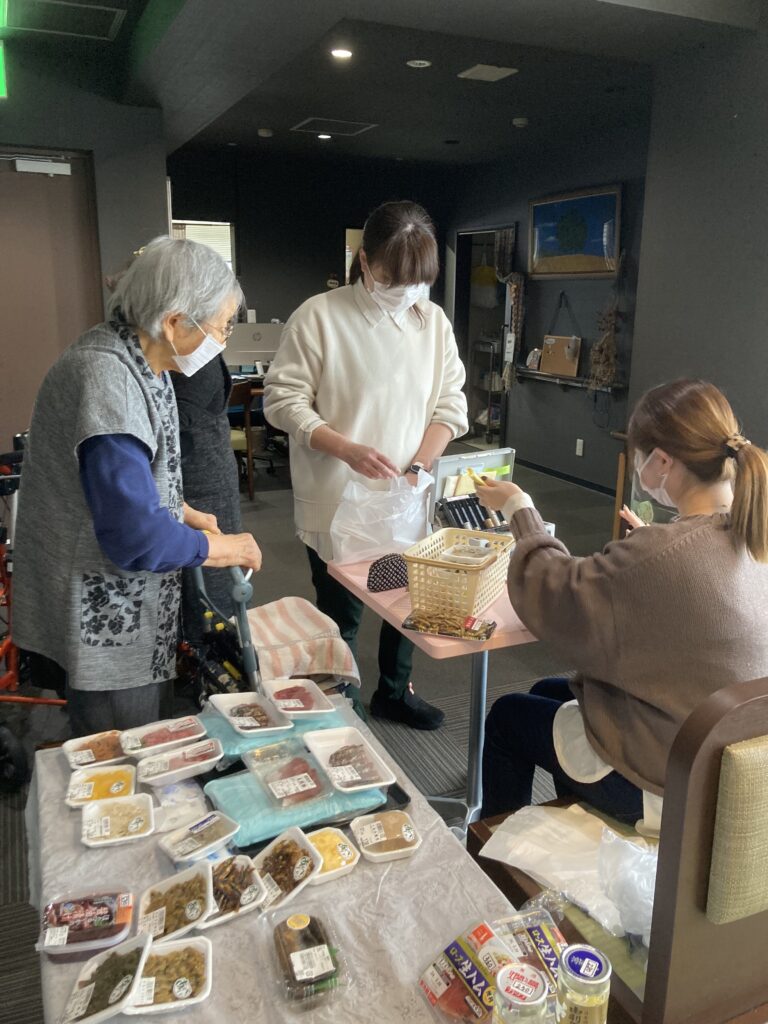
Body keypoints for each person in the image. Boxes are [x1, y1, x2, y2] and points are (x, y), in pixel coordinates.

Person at [475, 379, 768, 823]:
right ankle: (581, 814)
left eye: (638, 456)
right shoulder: (752, 533)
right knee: (547, 692)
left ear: (663, 461)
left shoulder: (663, 552)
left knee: (507, 717)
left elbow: (555, 591)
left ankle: (492, 850)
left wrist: (519, 506)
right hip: (724, 757)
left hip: (668, 780)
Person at [14, 236, 262, 737]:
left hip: (118, 592)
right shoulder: (108, 379)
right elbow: (135, 536)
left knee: (137, 729)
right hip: (103, 607)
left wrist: (181, 509)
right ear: (174, 322)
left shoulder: (142, 359)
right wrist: (220, 548)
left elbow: (134, 476)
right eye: (221, 326)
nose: (222, 339)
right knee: (124, 745)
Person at [264, 200, 468, 730]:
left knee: (409, 601)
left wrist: (421, 464)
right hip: (337, 495)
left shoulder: (432, 322)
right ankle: (344, 707)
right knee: (342, 613)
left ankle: (394, 693)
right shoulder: (319, 316)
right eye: (392, 278)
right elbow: (282, 401)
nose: (405, 291)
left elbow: (450, 405)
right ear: (363, 261)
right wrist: (344, 447)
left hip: (409, 495)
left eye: (416, 282)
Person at [172, 353, 243, 644]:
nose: (224, 334)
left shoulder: (201, 357)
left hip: (205, 483)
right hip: (194, 486)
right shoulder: (190, 356)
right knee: (205, 596)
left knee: (213, 594)